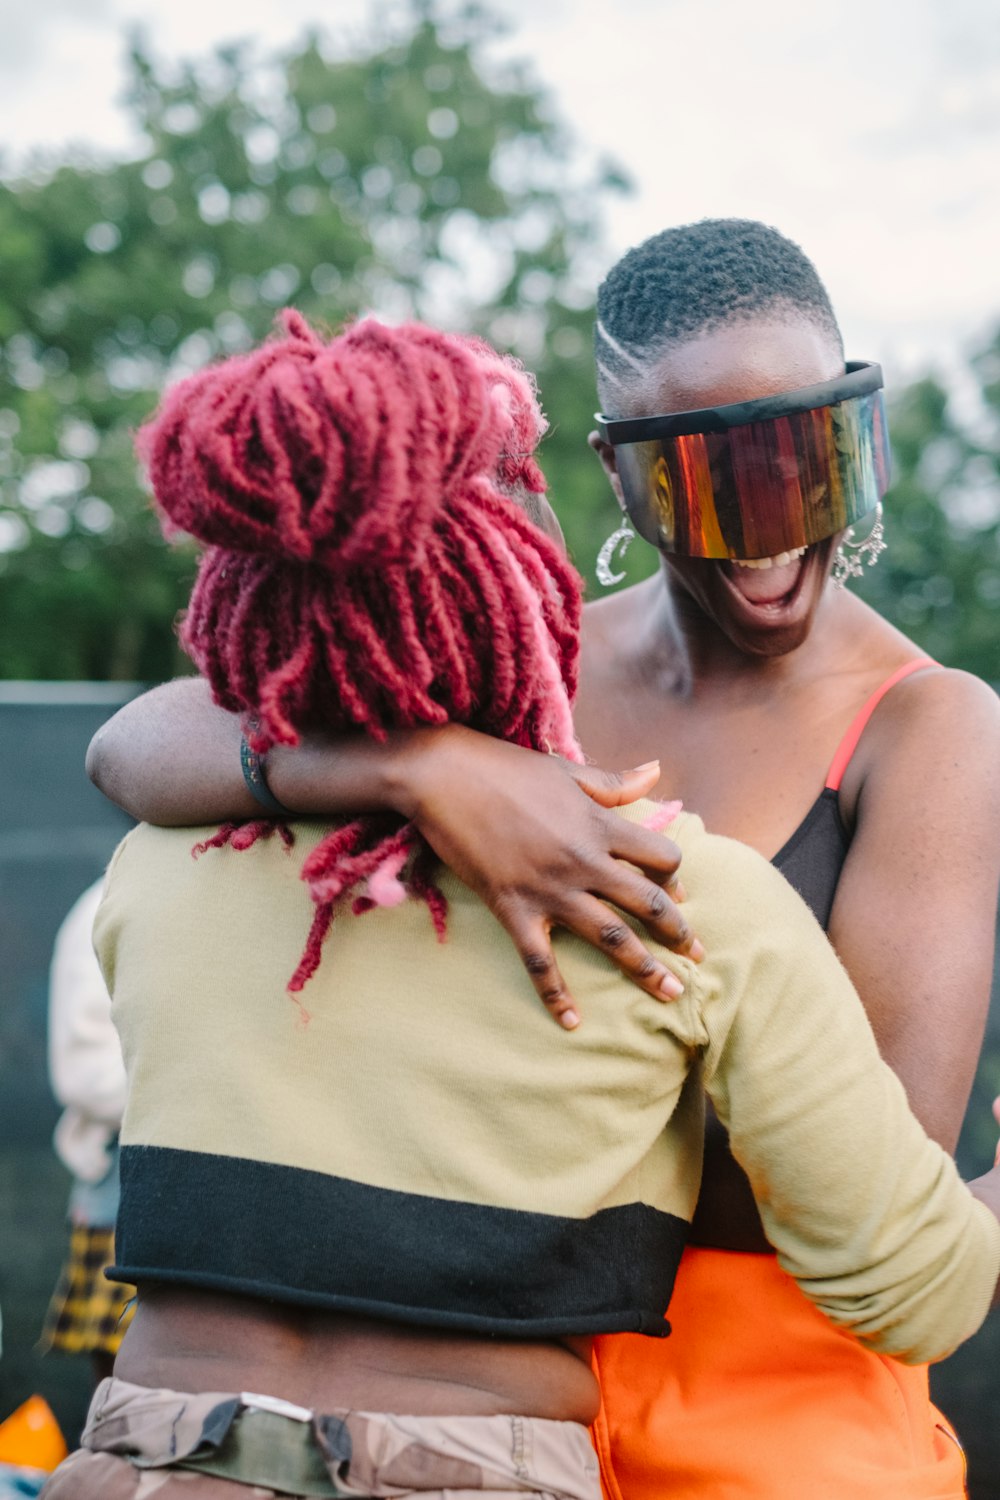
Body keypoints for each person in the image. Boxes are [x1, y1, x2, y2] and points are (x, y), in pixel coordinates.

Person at [88, 221, 1000, 1499]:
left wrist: (530, 1071)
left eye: (810, 461)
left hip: (765, 1412)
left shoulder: (932, 723)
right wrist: (423, 767)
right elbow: (139, 741)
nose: (766, 528)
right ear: (615, 479)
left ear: (864, 432)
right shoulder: (515, 646)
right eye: (704, 481)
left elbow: (860, 1175)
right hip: (514, 1408)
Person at [40, 881, 134, 1388]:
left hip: (222, 1182)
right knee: (125, 1381)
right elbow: (84, 1073)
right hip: (123, 1180)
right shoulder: (111, 897)